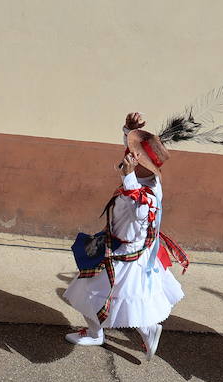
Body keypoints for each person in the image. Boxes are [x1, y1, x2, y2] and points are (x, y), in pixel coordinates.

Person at [63, 113, 188, 360]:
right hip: (129, 251)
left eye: (134, 154)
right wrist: (129, 130)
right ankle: (132, 330)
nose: (128, 156)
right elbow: (129, 161)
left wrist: (128, 178)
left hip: (124, 254)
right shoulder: (143, 176)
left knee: (89, 291)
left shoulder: (146, 195)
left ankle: (110, 332)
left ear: (141, 164)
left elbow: (135, 219)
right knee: (124, 298)